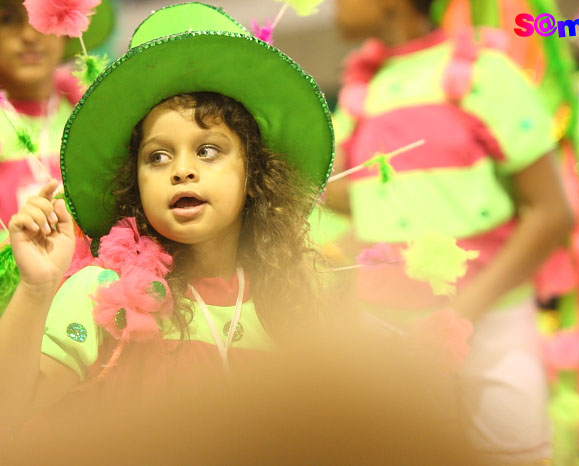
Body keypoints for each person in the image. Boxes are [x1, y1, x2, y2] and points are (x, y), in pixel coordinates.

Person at [0, 2, 334, 428]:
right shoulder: (100, 294)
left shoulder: (288, 301)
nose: (182, 169)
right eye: (157, 157)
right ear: (135, 185)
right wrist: (37, 288)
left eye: (208, 150)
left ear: (255, 172)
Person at [327, 0, 572, 463]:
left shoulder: (486, 73)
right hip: (386, 334)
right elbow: (358, 201)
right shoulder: (362, 91)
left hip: (492, 326)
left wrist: (463, 313)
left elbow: (551, 213)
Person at [0, 0, 114, 234]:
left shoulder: (93, 117)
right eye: (7, 19)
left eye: (44, 18)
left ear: (68, 30)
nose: (29, 36)